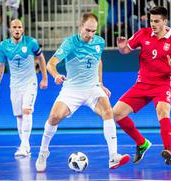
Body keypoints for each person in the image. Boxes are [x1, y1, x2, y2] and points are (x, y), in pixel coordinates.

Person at [35, 12, 130, 172]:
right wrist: (56, 75)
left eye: (93, 31)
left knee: (108, 112)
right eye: (87, 30)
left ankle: (113, 156)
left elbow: (98, 60)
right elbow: (51, 63)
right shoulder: (70, 43)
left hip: (92, 88)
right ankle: (43, 152)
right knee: (54, 117)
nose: (90, 34)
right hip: (72, 89)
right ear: (81, 27)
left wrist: (100, 83)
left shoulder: (99, 42)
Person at [114, 6, 171, 165]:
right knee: (116, 113)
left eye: (156, 21)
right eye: (151, 20)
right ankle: (142, 143)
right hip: (142, 84)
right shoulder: (143, 33)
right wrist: (121, 47)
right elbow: (126, 50)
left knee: (163, 112)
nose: (153, 24)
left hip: (163, 84)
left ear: (165, 21)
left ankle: (167, 150)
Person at [0, 19, 48, 156]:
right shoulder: (4, 46)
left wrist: (44, 78)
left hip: (30, 82)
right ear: (10, 29)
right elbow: (0, 66)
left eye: (19, 27)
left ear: (23, 29)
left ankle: (24, 145)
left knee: (27, 110)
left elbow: (40, 58)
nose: (17, 29)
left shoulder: (31, 42)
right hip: (15, 85)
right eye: (14, 27)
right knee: (19, 115)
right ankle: (25, 146)